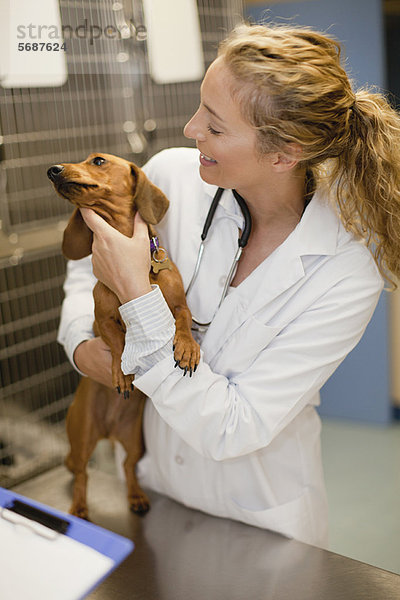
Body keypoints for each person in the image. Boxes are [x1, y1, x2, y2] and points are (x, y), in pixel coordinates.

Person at [58, 22, 400, 547]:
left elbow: (235, 428)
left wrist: (138, 292)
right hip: (156, 486)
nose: (192, 129)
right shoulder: (171, 176)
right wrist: (82, 344)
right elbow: (86, 262)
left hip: (258, 519)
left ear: (285, 152)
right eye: (201, 108)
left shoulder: (346, 271)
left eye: (215, 127)